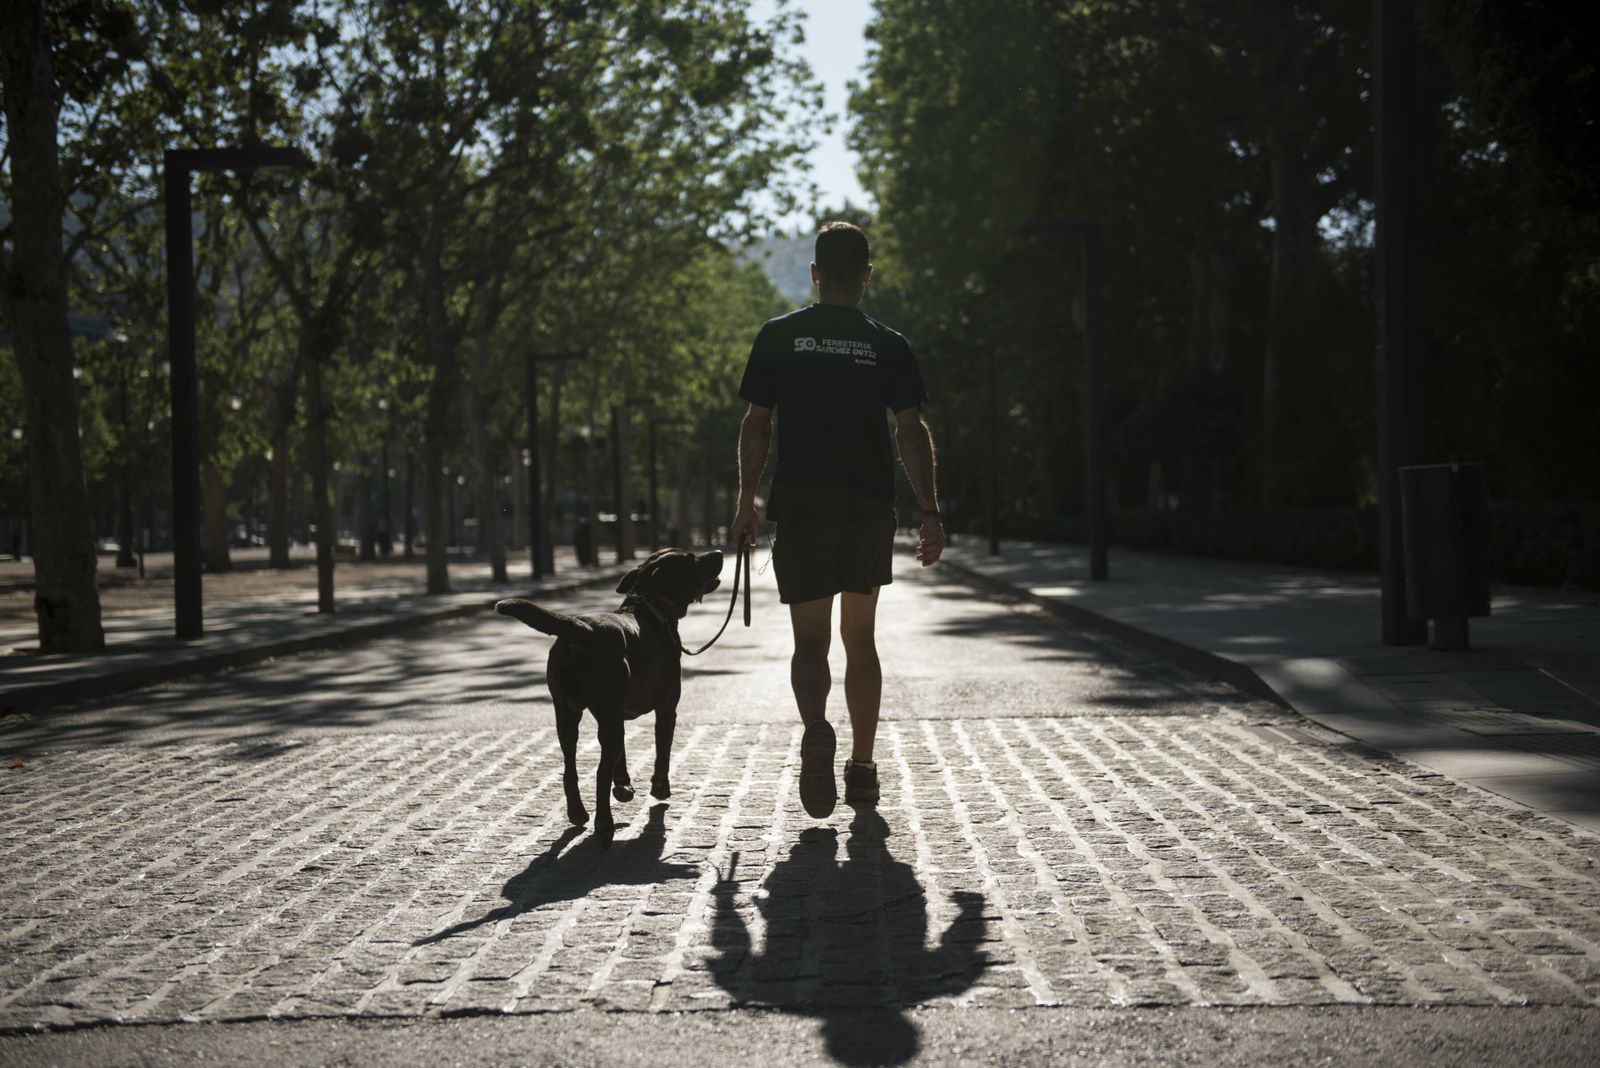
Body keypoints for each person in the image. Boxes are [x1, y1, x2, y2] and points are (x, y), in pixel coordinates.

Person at [731, 221, 943, 819]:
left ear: (816, 273)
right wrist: (929, 511)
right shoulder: (889, 345)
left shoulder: (779, 336)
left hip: (801, 504)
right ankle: (863, 768)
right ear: (867, 277)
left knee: (809, 644)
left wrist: (746, 501)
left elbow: (757, 424)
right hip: (866, 506)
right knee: (860, 642)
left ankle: (817, 728)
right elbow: (909, 431)